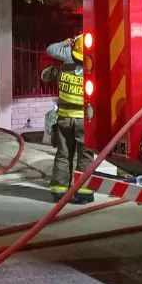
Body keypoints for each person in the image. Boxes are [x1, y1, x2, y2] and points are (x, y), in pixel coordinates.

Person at [41, 35, 94, 204]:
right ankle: (84, 193)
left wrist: (64, 43)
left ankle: (59, 190)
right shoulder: (92, 68)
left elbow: (50, 49)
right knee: (85, 156)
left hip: (64, 118)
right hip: (84, 121)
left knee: (63, 154)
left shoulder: (65, 63)